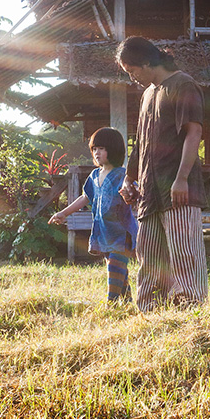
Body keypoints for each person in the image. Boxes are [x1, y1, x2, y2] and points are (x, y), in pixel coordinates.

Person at [116, 37, 208, 312]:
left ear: (147, 62)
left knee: (184, 253)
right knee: (149, 255)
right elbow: (141, 143)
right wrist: (128, 179)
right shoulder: (147, 95)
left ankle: (190, 313)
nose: (133, 78)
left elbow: (194, 133)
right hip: (149, 192)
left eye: (133, 71)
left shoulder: (183, 85)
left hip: (178, 188)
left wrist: (181, 178)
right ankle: (149, 312)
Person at [49, 127, 137, 303]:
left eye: (102, 148)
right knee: (119, 271)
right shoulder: (94, 176)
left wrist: (131, 193)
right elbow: (85, 197)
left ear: (113, 150)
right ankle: (127, 303)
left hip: (121, 233)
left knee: (114, 266)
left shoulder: (123, 176)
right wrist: (63, 213)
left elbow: (136, 191)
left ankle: (110, 304)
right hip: (103, 232)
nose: (97, 152)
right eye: (94, 149)